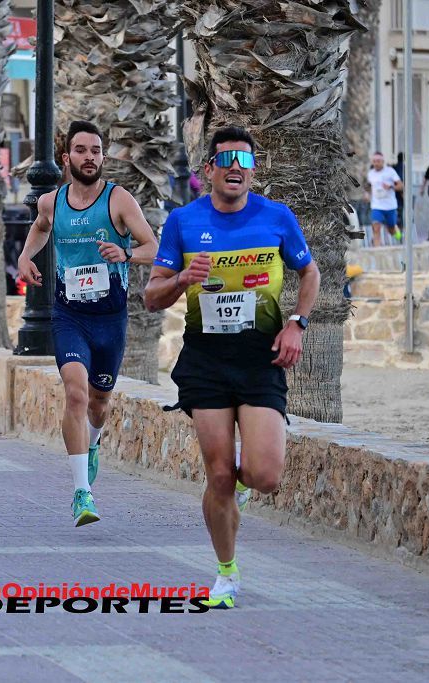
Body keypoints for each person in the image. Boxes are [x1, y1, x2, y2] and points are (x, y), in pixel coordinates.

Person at [143, 126, 320, 609]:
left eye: (244, 160)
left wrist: (297, 324)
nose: (235, 168)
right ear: (208, 171)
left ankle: (237, 496)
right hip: (206, 360)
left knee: (264, 476)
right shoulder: (183, 222)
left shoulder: (276, 217)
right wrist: (182, 276)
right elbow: (151, 296)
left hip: (261, 358)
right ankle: (226, 572)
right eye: (226, 160)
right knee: (219, 476)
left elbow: (310, 272)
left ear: (253, 170)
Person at [17, 120, 158, 527]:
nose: (90, 157)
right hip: (69, 316)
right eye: (81, 150)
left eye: (96, 151)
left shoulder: (118, 200)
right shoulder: (52, 202)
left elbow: (153, 246)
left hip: (109, 318)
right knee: (76, 395)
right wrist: (27, 257)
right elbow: (40, 228)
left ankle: (92, 445)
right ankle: (82, 492)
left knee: (99, 401)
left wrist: (125, 254)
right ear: (67, 158)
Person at [365, 152, 403, 246]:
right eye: (374, 161)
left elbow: (401, 186)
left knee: (391, 230)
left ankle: (398, 234)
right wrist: (367, 194)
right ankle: (377, 251)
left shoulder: (390, 171)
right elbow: (369, 186)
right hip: (377, 205)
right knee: (376, 227)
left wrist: (391, 187)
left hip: (390, 206)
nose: (376, 163)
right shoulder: (370, 174)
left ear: (383, 161)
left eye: (378, 161)